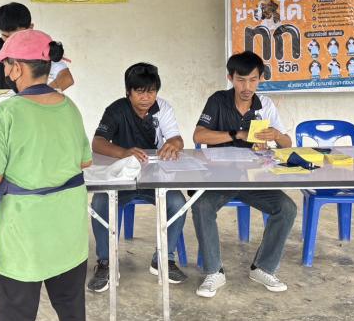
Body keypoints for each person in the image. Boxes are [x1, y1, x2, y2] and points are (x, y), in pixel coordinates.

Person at [0, 30, 92, 321]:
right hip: (68, 236)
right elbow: (84, 161)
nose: (6, 71)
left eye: (7, 64)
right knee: (72, 312)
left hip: (23, 239)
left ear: (16, 68)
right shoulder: (69, 107)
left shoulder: (7, 112)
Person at [191, 52, 296, 298]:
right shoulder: (218, 101)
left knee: (286, 208)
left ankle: (263, 268)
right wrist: (237, 134)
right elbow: (199, 135)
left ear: (260, 79)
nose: (247, 87)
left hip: (254, 178)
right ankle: (214, 272)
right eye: (241, 80)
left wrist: (276, 135)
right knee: (201, 205)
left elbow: (287, 144)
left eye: (253, 80)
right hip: (220, 178)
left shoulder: (265, 105)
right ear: (230, 78)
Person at [87, 63, 188, 293]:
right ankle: (106, 262)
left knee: (177, 203)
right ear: (128, 92)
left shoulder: (163, 108)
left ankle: (163, 258)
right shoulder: (116, 110)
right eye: (140, 92)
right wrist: (124, 152)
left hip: (156, 177)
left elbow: (177, 139)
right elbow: (97, 143)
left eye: (151, 91)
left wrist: (174, 144)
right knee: (100, 202)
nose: (146, 97)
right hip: (122, 177)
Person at [0, 2, 74, 94]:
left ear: (30, 28)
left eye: (17, 36)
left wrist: (38, 97)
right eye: (5, 36)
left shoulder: (40, 47)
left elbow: (66, 78)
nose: (10, 41)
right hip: (6, 108)